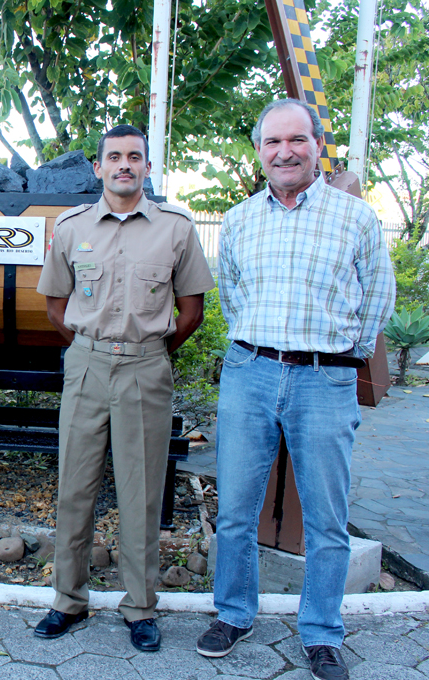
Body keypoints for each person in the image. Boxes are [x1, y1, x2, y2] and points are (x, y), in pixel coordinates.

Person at [195, 99, 395, 680]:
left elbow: (378, 299)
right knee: (235, 509)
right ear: (259, 151)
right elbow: (232, 298)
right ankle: (233, 613)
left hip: (324, 379)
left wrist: (336, 359)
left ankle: (322, 632)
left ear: (316, 146)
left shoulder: (354, 218)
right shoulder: (238, 219)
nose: (285, 151)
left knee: (327, 519)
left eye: (297, 140)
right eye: (272, 142)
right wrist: (262, 348)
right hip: (249, 371)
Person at [35, 124, 215, 648]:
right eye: (114, 157)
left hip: (145, 369)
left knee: (140, 494)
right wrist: (94, 346)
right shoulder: (71, 227)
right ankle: (68, 601)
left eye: (135, 157)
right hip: (87, 366)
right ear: (98, 167)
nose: (124, 166)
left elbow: (191, 310)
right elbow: (55, 306)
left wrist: (145, 350)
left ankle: (140, 609)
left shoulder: (176, 228)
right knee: (76, 488)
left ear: (148, 167)